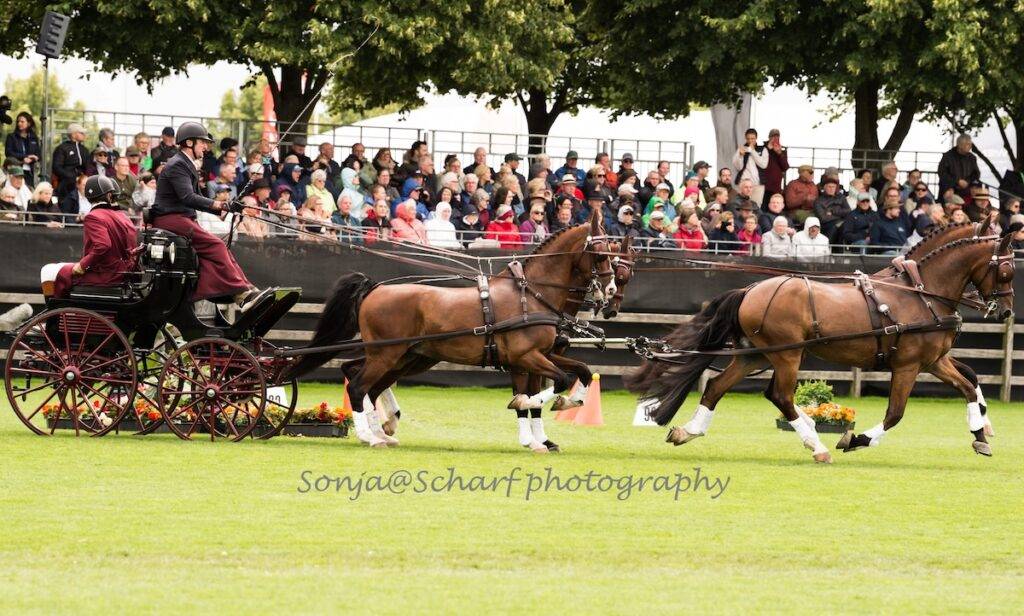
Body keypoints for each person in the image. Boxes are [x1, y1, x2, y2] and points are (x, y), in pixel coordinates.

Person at [149, 122, 264, 309]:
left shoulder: (184, 164)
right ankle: (242, 293)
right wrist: (221, 204)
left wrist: (224, 207)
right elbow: (188, 197)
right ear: (189, 143)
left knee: (219, 247)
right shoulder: (178, 164)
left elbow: (197, 198)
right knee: (216, 245)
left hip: (180, 218)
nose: (205, 146)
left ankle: (246, 290)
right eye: (202, 142)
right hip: (171, 219)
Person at [52, 176, 138, 298]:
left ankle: (58, 308)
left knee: (55, 272)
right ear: (109, 196)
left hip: (108, 274)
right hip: (126, 272)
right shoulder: (123, 216)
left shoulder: (93, 216)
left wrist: (82, 265)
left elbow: (103, 245)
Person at [938, 134, 980, 202]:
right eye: (968, 144)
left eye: (970, 144)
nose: (970, 146)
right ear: (960, 145)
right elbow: (942, 173)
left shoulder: (972, 158)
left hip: (967, 189)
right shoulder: (947, 156)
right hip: (949, 189)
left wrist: (968, 182)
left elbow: (976, 174)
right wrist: (957, 181)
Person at [732, 128, 768, 205]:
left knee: (756, 205)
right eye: (748, 139)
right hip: (743, 182)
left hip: (758, 184)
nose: (750, 141)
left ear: (756, 138)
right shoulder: (742, 149)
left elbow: (763, 165)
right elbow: (738, 167)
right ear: (745, 138)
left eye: (752, 138)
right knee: (741, 205)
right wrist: (740, 156)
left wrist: (753, 151)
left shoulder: (762, 149)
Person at [51, 124, 88, 199]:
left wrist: (83, 177)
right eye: (81, 133)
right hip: (66, 182)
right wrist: (72, 177)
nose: (84, 135)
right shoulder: (62, 148)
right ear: (73, 134)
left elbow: (87, 167)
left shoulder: (84, 149)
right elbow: (57, 167)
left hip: (82, 181)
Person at [5, 112, 41, 187]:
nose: (19, 123)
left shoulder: (34, 138)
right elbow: (8, 153)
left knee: (29, 191)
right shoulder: (11, 136)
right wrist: (24, 157)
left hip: (30, 172)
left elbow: (38, 155)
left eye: (22, 121)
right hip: (15, 170)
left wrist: (32, 159)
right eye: (18, 121)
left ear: (29, 123)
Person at [812, 177, 850, 243]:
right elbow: (823, 218)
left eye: (833, 187)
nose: (831, 189)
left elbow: (848, 211)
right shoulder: (818, 201)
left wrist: (833, 212)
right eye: (829, 187)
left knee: (844, 227)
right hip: (826, 225)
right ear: (824, 188)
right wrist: (841, 216)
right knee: (835, 227)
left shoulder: (841, 198)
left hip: (842, 222)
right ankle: (828, 245)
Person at [760, 128, 789, 200]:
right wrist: (768, 149)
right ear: (769, 137)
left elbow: (785, 167)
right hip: (763, 185)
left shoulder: (782, 151)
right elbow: (760, 162)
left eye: (777, 136)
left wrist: (779, 153)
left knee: (775, 204)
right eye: (773, 136)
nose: (775, 138)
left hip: (776, 187)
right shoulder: (762, 149)